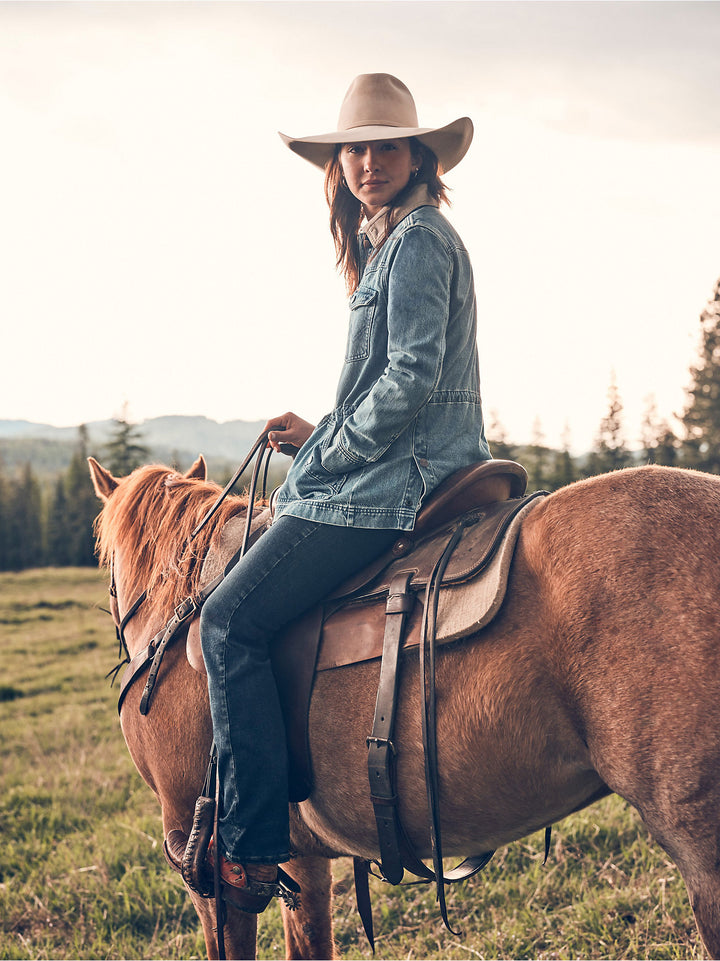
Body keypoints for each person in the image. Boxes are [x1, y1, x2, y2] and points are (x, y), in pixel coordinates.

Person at [199, 72, 491, 913]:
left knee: (226, 620)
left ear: (417, 154)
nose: (367, 160)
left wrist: (326, 444)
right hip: (407, 460)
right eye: (353, 148)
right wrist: (321, 424)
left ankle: (254, 847)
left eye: (385, 145)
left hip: (402, 481)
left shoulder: (421, 240)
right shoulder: (393, 240)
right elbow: (397, 385)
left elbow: (409, 383)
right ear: (340, 162)